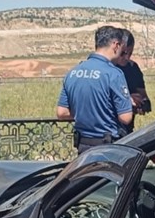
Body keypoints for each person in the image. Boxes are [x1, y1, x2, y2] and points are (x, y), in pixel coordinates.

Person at [57, 25, 133, 153]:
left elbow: (62, 113)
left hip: (83, 146)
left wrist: (86, 111)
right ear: (116, 45)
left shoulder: (73, 72)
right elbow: (125, 117)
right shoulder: (114, 74)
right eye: (122, 49)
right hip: (108, 147)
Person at [112, 29, 150, 135]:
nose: (127, 57)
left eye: (130, 53)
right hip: (108, 129)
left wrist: (141, 104)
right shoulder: (106, 68)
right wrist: (127, 100)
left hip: (126, 130)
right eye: (123, 53)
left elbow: (144, 96)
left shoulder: (133, 68)